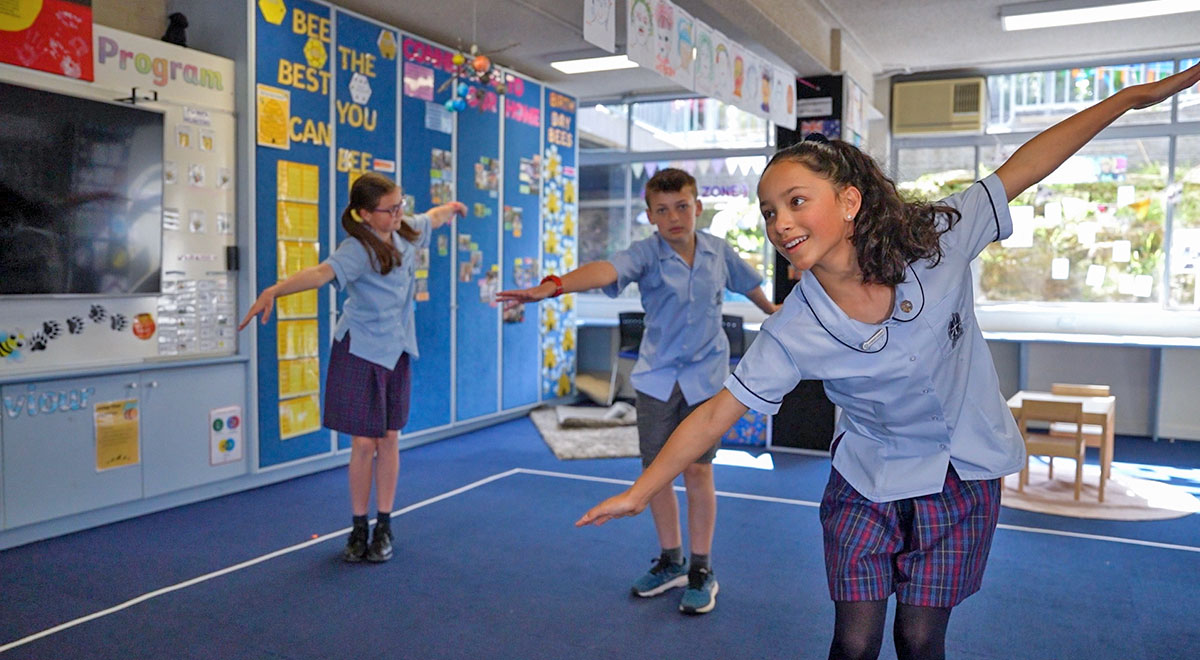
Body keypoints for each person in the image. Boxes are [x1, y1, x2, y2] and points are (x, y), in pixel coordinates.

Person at [576, 62, 1200, 658]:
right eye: (769, 211)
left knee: (921, 640)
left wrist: (1126, 100)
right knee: (852, 641)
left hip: (964, 471)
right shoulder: (796, 324)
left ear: (849, 201)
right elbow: (716, 415)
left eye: (796, 201)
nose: (780, 222)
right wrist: (641, 491)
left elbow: (1025, 166)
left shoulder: (938, 240)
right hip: (867, 478)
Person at [497, 167, 776, 614]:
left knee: (699, 471)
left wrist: (770, 309)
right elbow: (606, 269)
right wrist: (553, 287)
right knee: (656, 472)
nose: (674, 218)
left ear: (697, 207)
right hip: (657, 380)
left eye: (682, 206)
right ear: (650, 215)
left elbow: (749, 283)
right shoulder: (645, 254)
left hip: (706, 379)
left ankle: (702, 568)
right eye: (662, 210)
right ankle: (672, 560)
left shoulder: (719, 252)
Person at [239, 172, 464, 563]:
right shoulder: (356, 249)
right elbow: (320, 273)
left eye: (400, 205)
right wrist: (273, 290)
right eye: (389, 209)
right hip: (361, 349)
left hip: (396, 349)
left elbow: (432, 218)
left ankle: (385, 524)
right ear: (363, 214)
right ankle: (358, 527)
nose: (398, 214)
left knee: (390, 438)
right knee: (364, 443)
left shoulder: (405, 229)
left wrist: (451, 209)